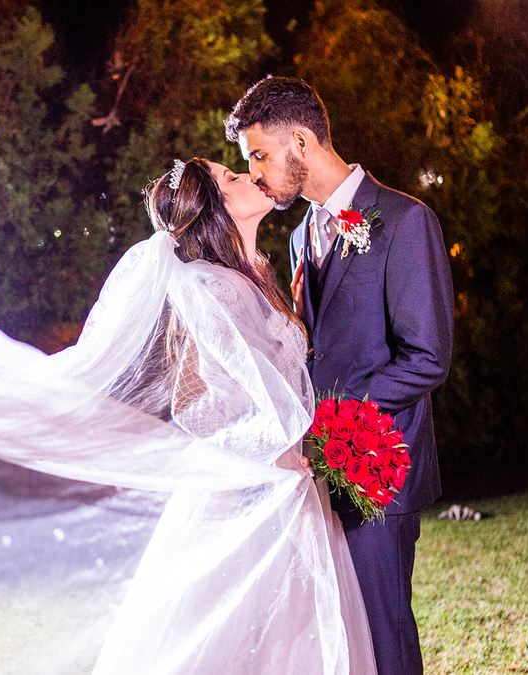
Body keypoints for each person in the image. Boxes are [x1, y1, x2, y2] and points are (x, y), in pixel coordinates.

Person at [89, 158, 377, 674]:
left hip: (292, 481)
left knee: (293, 639)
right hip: (260, 487)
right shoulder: (216, 286)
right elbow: (190, 404)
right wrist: (268, 448)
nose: (249, 176)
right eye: (232, 178)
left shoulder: (255, 274)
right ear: (216, 209)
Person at [225, 76, 455, 675]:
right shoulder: (303, 234)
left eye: (260, 155)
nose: (254, 173)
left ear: (301, 142)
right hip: (319, 471)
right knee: (343, 640)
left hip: (380, 467)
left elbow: (428, 357)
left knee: (383, 635)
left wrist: (329, 417)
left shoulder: (406, 221)